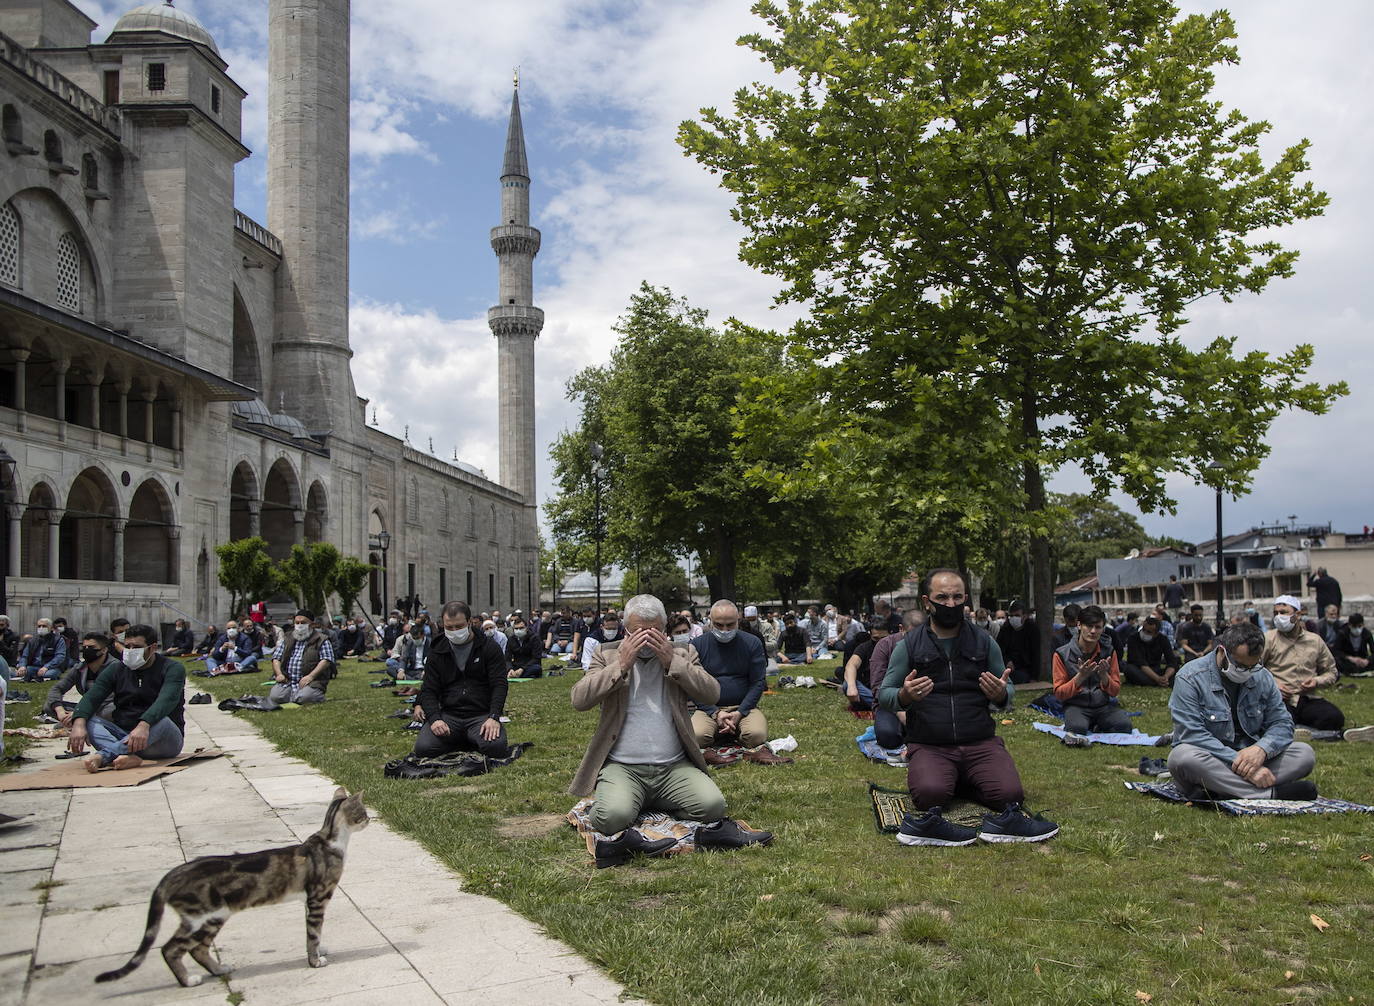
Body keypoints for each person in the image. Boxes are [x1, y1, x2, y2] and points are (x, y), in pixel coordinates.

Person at [569, 594, 771, 867]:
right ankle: (631, 800)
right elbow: (579, 699)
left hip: (673, 765)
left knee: (713, 807)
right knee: (610, 818)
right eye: (637, 633)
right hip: (623, 765)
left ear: (664, 630)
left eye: (653, 632)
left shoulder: (683, 652)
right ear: (625, 630)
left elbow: (711, 693)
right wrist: (622, 665)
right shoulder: (606, 653)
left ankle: (647, 803)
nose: (645, 640)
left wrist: (672, 663)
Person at [880, 570, 1057, 845]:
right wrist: (904, 695)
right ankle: (952, 780)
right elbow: (885, 695)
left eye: (957, 597)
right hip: (930, 744)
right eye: (942, 597)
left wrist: (1001, 694)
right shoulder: (909, 646)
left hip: (980, 742)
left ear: (965, 599)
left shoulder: (984, 642)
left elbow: (1007, 688)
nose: (950, 604)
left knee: (1010, 796)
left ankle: (963, 780)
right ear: (927, 602)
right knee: (929, 796)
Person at [1167, 621, 1318, 800]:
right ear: (1222, 652)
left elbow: (1282, 723)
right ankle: (1270, 794)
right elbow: (1192, 734)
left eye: (1252, 666)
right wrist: (1241, 763)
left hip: (1252, 756)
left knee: (1304, 754)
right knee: (1182, 758)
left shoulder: (1263, 676)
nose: (1246, 671)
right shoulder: (1190, 677)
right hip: (1214, 757)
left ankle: (1220, 789)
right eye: (1240, 665)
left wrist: (1261, 750)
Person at [67, 624, 185, 771]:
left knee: (162, 721)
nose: (130, 651)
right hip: (125, 735)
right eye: (127, 646)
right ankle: (125, 756)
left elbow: (167, 700)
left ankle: (106, 755)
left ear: (153, 648)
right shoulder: (117, 669)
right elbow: (92, 697)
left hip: (162, 739)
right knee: (87, 719)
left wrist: (144, 725)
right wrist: (78, 724)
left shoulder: (172, 668)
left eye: (136, 647)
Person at [413, 601, 512, 759]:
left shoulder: (489, 647)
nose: (454, 631)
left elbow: (499, 684)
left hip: (481, 714)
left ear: (469, 622)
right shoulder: (437, 651)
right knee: (423, 748)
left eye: (459, 626)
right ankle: (464, 739)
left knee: (495, 747)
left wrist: (494, 716)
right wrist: (435, 719)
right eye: (449, 627)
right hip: (449, 715)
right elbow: (429, 689)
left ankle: (465, 739)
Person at [1261, 595, 1349, 734]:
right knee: (1279, 719)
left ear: (1297, 615)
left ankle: (1299, 730)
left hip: (1306, 698)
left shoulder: (1315, 641)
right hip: (1278, 699)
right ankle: (1295, 729)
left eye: (1283, 612)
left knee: (1334, 718)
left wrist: (1316, 681)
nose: (1278, 617)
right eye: (1275, 613)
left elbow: (1331, 672)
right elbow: (1253, 670)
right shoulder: (1268, 639)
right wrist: (1273, 685)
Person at [690, 600, 768, 748]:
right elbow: (694, 685)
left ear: (738, 620)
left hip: (744, 708)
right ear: (710, 621)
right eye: (719, 625)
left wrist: (741, 711)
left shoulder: (752, 643)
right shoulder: (697, 645)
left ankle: (727, 731)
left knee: (756, 736)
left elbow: (758, 682)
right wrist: (715, 712)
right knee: (696, 737)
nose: (724, 630)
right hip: (708, 709)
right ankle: (726, 731)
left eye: (730, 624)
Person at [1051, 605, 1132, 735]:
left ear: (1103, 628)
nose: (1093, 631)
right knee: (1077, 729)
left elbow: (1115, 691)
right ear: (1079, 625)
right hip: (1076, 705)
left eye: (1098, 627)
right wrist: (1080, 677)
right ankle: (1091, 725)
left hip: (1102, 706)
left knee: (1124, 726)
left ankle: (1096, 725)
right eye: (1089, 626)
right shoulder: (1062, 654)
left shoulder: (1109, 652)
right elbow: (1059, 694)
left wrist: (1104, 676)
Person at [868, 610, 924, 751]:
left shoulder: (931, 644)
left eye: (920, 635)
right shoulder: (885, 645)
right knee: (888, 736)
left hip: (923, 702)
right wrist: (899, 709)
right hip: (889, 705)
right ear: (901, 629)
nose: (915, 640)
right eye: (911, 634)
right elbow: (877, 687)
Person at [44, 632, 118, 725]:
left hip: (106, 706)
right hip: (86, 707)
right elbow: (57, 688)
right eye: (84, 647)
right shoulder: (79, 668)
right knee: (49, 706)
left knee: (111, 711)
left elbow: (108, 698)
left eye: (91, 647)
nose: (87, 650)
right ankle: (78, 720)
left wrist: (80, 713)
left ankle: (79, 720)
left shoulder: (116, 667)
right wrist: (60, 710)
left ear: (104, 650)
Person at [268, 610, 335, 705]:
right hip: (288, 681)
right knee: (275, 697)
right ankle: (294, 696)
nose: (299, 625)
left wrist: (311, 676)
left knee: (304, 698)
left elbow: (326, 660)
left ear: (312, 624)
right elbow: (276, 658)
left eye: (303, 623)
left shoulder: (321, 639)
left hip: (312, 681)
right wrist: (279, 674)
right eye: (297, 623)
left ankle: (312, 695)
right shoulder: (287, 638)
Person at [842, 618, 889, 710]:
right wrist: (851, 687)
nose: (880, 642)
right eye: (876, 638)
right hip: (870, 691)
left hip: (890, 690)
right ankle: (884, 706)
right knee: (847, 684)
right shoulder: (864, 647)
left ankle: (882, 705)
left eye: (883, 638)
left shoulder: (896, 646)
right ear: (870, 635)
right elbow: (851, 665)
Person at [1121, 615, 1178, 687]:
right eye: (1143, 629)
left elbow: (1171, 661)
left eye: (1148, 632)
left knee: (1176, 667)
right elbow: (1140, 662)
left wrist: (1166, 676)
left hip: (1155, 669)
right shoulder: (1133, 638)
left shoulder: (1162, 639)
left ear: (1156, 634)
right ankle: (1159, 682)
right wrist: (1157, 679)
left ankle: (1160, 681)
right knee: (1129, 669)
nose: (1144, 633)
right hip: (1139, 670)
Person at [995, 601, 1039, 683]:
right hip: (1007, 667)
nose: (1014, 618)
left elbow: (1035, 654)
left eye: (1017, 615)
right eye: (1011, 616)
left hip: (1025, 668)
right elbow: (998, 649)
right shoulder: (1005, 628)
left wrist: (1034, 677)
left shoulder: (1032, 629)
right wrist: (1007, 661)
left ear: (1025, 616)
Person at [17, 618, 68, 682]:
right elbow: (25, 656)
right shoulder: (32, 640)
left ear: (51, 628)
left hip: (50, 668)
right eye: (39, 626)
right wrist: (22, 666)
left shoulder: (58, 640)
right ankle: (35, 677)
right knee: (23, 671)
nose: (41, 628)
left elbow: (60, 656)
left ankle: (33, 677)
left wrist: (46, 667)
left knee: (50, 674)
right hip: (34, 667)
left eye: (44, 626)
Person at [505, 614, 545, 678]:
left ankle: (518, 675)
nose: (518, 630)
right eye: (516, 628)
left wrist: (522, 669)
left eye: (521, 628)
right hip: (516, 665)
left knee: (537, 668)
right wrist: (510, 669)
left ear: (526, 628)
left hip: (530, 666)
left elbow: (536, 658)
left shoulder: (534, 638)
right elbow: (507, 658)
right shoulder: (511, 639)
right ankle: (515, 674)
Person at [1333, 613, 1371, 677]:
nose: (1357, 629)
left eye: (1359, 626)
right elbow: (1336, 650)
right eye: (1354, 626)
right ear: (1349, 625)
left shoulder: (1367, 634)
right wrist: (1350, 658)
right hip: (1348, 659)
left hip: (1362, 659)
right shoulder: (1342, 633)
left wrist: (1367, 660)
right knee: (1337, 661)